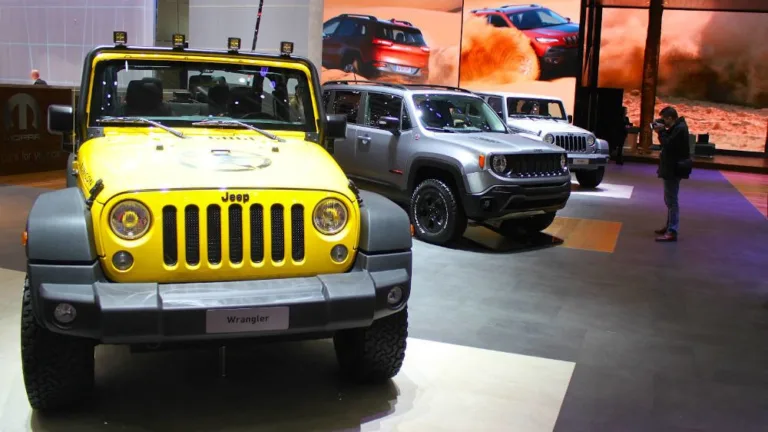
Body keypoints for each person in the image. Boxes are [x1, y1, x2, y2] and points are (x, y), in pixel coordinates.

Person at [652, 106, 692, 242]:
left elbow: (667, 144)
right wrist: (663, 130)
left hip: (673, 169)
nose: (663, 122)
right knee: (669, 200)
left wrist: (660, 132)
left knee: (672, 201)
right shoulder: (678, 127)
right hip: (672, 168)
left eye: (664, 119)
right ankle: (669, 226)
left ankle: (672, 231)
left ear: (670, 118)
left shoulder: (680, 129)